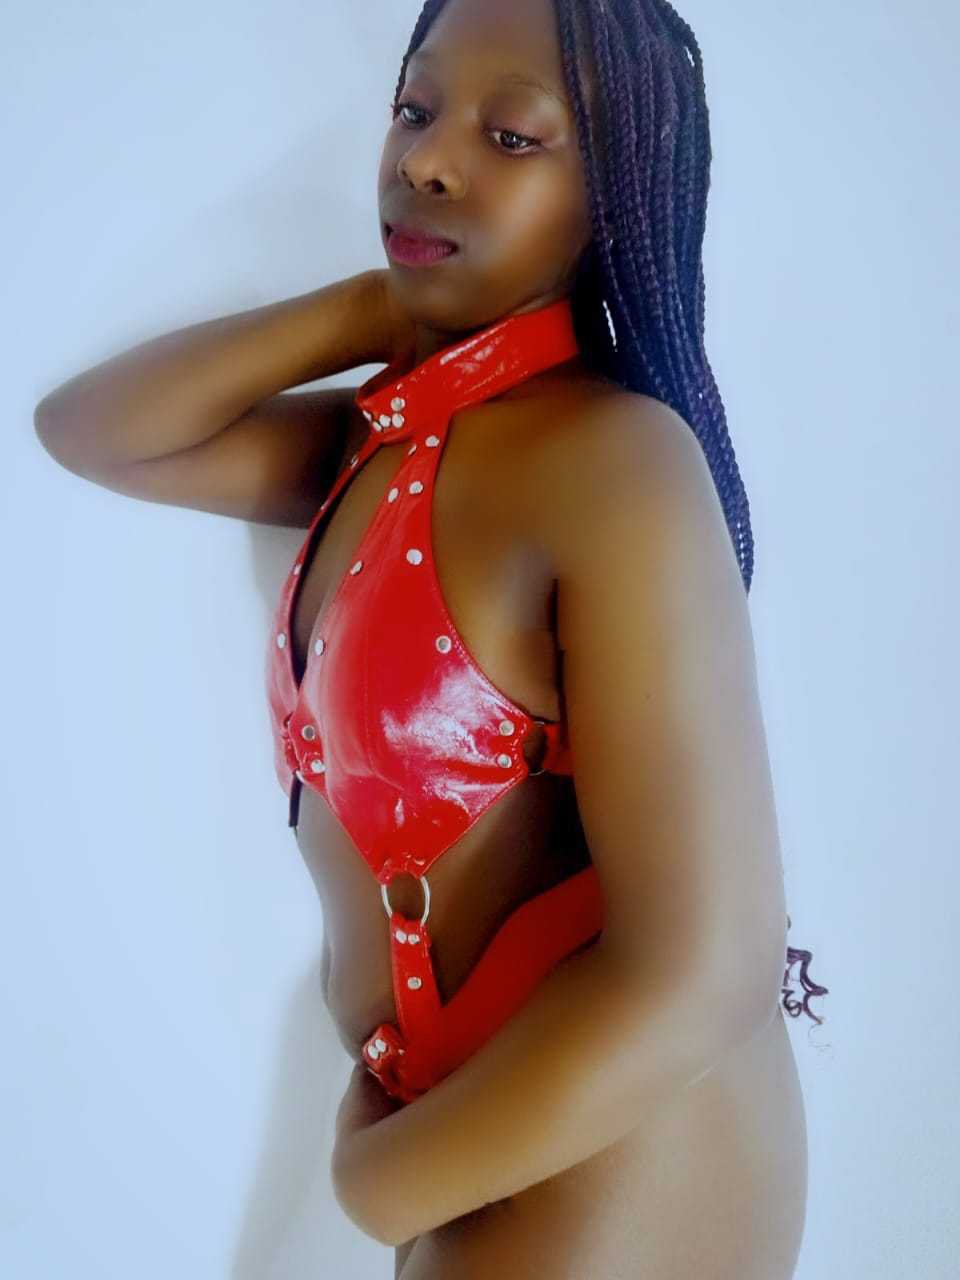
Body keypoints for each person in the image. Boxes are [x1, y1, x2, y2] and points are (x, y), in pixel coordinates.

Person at [35, 0, 828, 1274]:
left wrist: (373, 1184)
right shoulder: (382, 442)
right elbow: (93, 429)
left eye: (511, 136)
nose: (429, 159)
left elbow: (711, 965)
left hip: (613, 1155)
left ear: (613, 190)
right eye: (413, 109)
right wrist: (368, 307)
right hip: (467, 1135)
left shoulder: (615, 461)